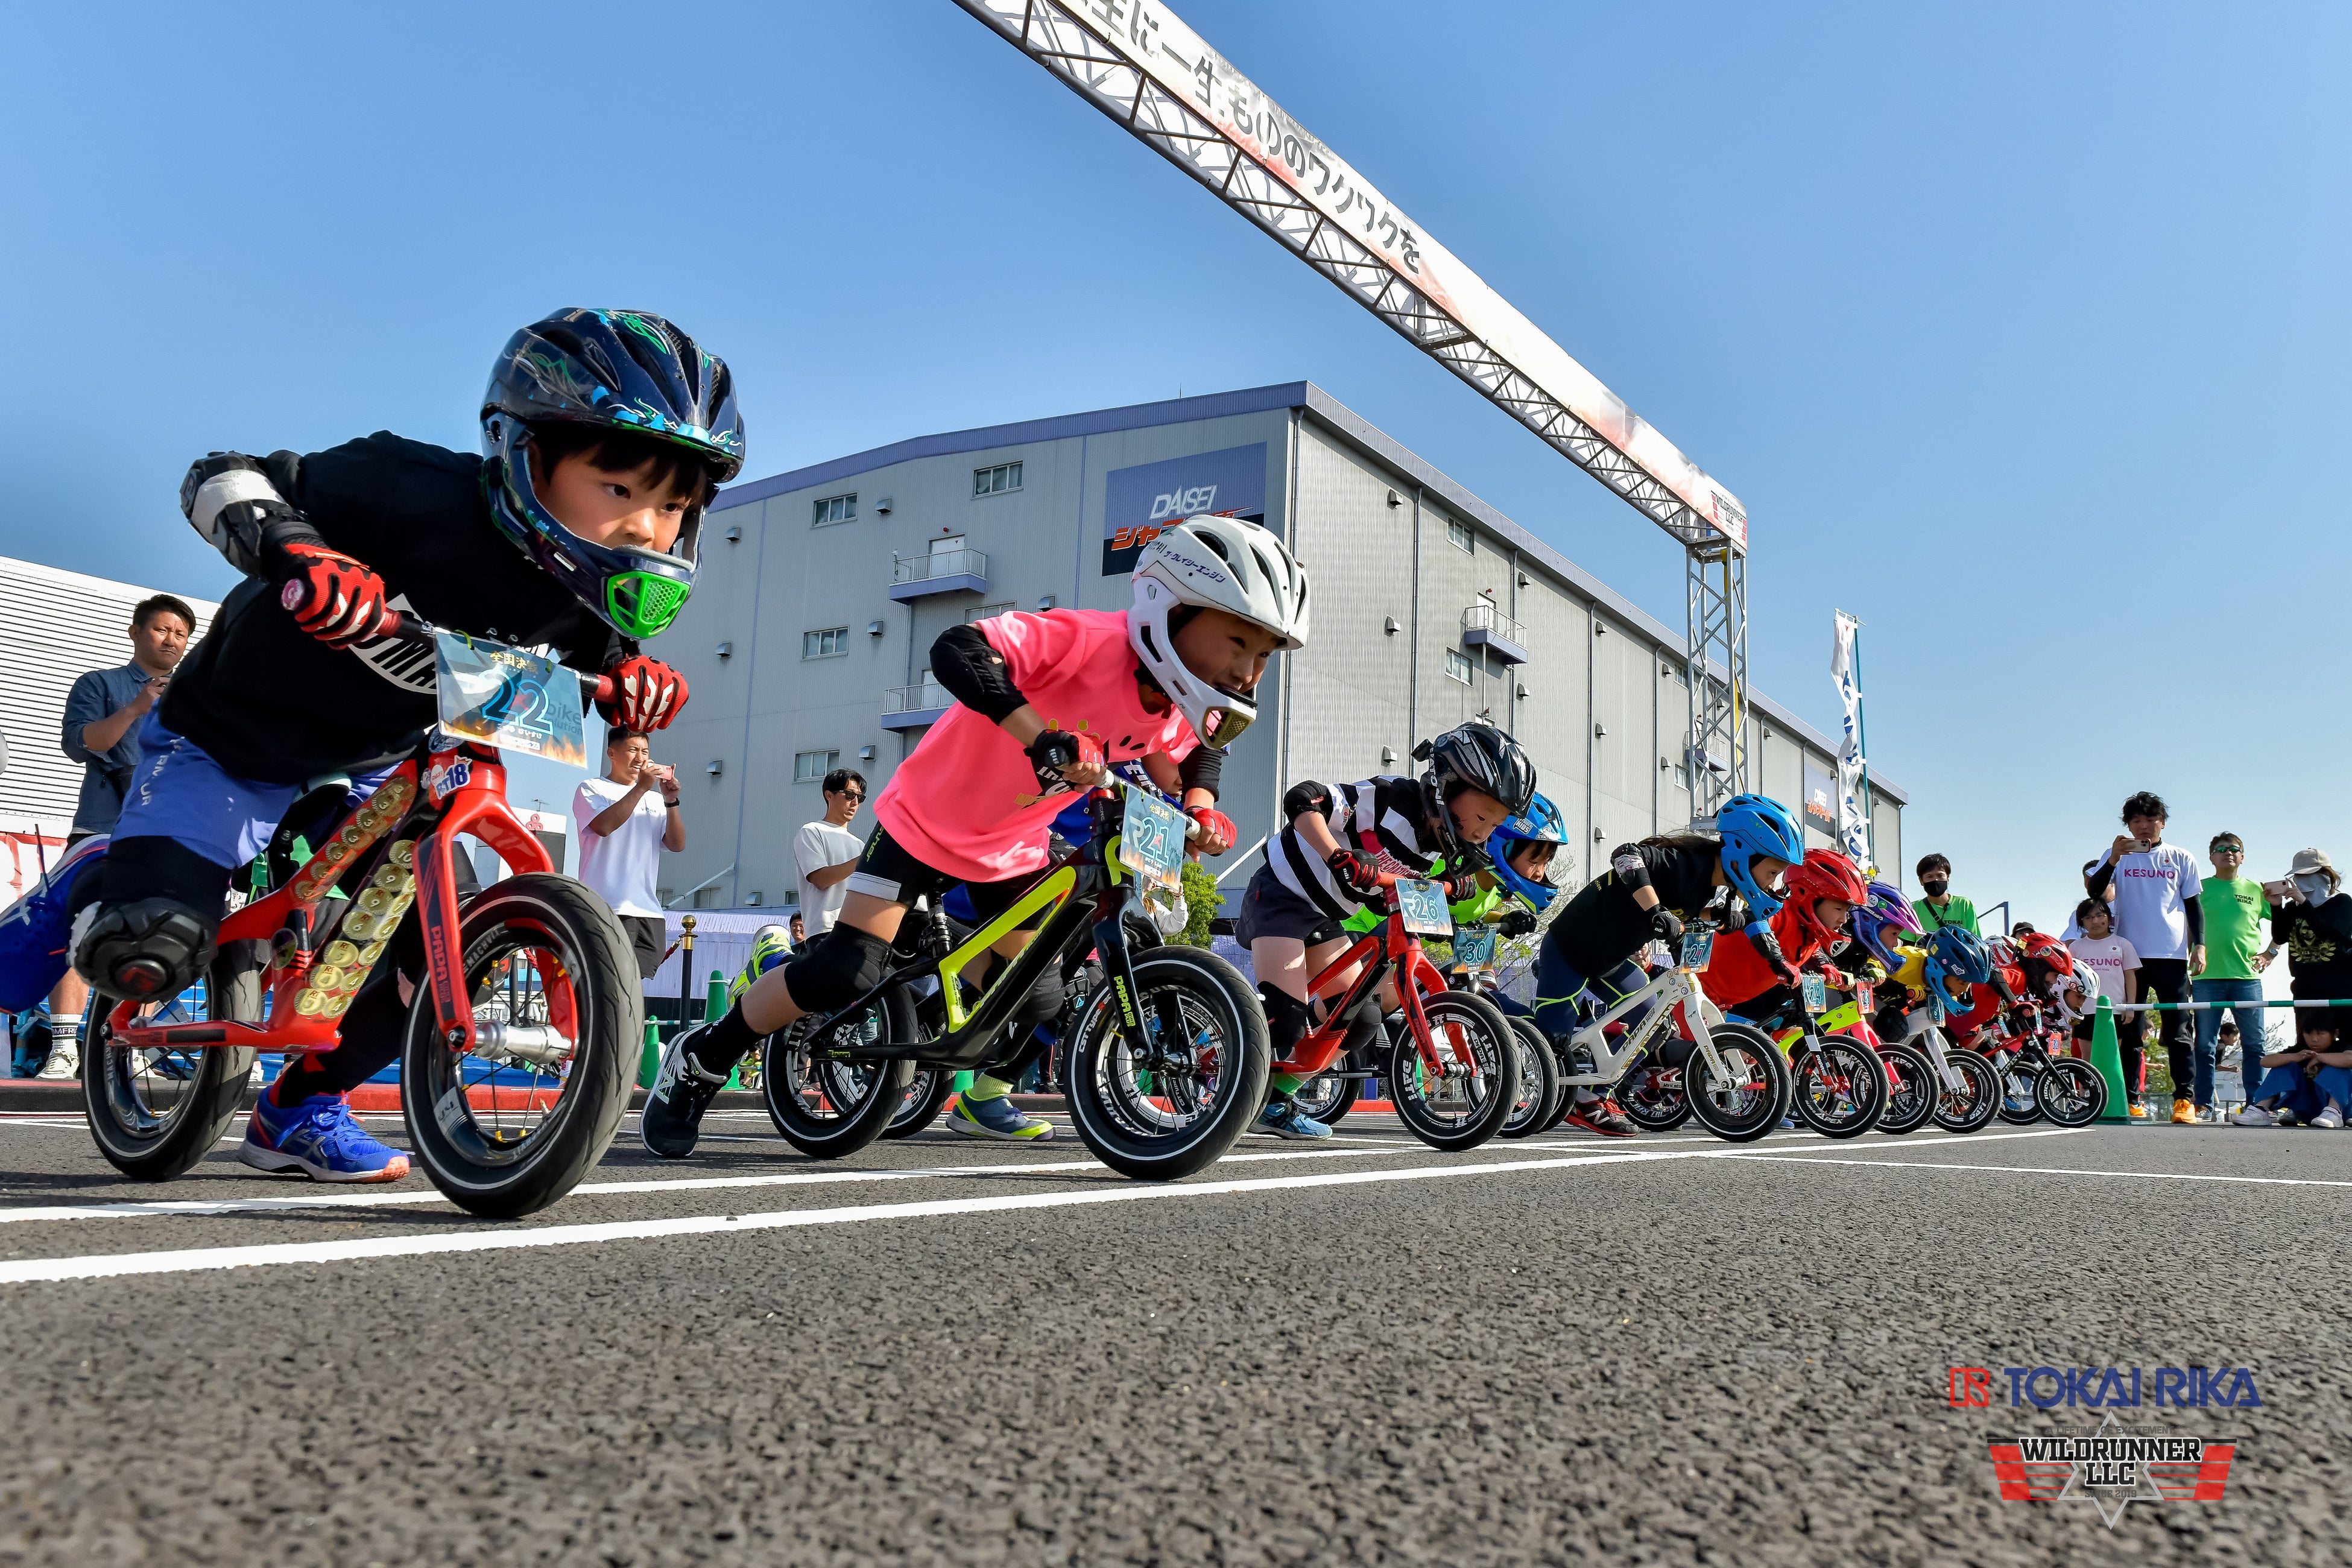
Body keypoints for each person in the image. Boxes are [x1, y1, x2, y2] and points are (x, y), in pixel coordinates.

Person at [70, 309, 731, 1181]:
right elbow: (221, 476)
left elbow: (612, 667)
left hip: (375, 761)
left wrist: (638, 682)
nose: (649, 527)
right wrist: (302, 553)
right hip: (231, 738)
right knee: (149, 938)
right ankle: (92, 887)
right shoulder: (407, 485)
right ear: (527, 454)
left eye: (674, 506)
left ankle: (297, 1110)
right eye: (620, 489)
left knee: (440, 952)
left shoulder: (583, 592)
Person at [642, 515, 1309, 1155]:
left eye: (1264, 653)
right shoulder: (1086, 640)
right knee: (843, 971)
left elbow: (1193, 753)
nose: (1251, 670)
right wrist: (1041, 737)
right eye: (1239, 642)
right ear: (1174, 610)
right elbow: (957, 649)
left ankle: (927, 973)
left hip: (1010, 848)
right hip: (920, 822)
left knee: (1039, 994)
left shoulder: (1176, 699)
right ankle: (702, 1058)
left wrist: (1201, 807)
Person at [1239, 723, 1537, 1140]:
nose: (1482, 833)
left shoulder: (1434, 845)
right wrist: (1338, 855)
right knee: (1285, 1021)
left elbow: (1389, 892)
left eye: (1494, 825)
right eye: (1483, 817)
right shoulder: (1389, 799)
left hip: (1324, 919)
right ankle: (1227, 1090)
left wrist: (1450, 888)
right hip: (1280, 897)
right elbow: (1305, 800)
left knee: (1361, 1017)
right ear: (1447, 788)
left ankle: (1274, 1099)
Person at [1531, 795, 1804, 1128]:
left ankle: (1590, 1097)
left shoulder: (1707, 887)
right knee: (1552, 1044)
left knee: (1656, 1026)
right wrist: (1655, 911)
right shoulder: (1683, 863)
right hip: (1569, 950)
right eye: (1773, 872)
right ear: (1744, 853)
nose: (1772, 883)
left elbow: (1692, 912)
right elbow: (1625, 855)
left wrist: (1768, 955)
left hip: (1611, 962)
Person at [31, 595, 197, 1080]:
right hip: (103, 826)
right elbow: (82, 743)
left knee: (156, 936)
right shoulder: (100, 684)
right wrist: (138, 706)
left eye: (181, 634)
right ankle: (65, 1047)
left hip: (170, 832)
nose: (171, 640)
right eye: (162, 629)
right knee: (79, 928)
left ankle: (133, 1044)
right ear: (136, 632)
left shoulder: (195, 698)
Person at [2083, 791, 2203, 1126]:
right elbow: (2095, 893)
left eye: (2151, 820)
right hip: (2128, 954)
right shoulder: (2117, 855)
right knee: (2131, 1029)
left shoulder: (2181, 857)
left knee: (2178, 1030)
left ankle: (2185, 1100)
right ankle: (2131, 1099)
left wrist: (2200, 946)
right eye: (2137, 821)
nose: (2144, 826)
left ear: (2162, 823)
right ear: (2129, 825)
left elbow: (2193, 905)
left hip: (2171, 954)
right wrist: (2112, 860)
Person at [574, 729, 684, 981]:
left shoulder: (655, 799)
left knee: (635, 985)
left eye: (645, 752)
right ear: (612, 753)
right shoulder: (592, 788)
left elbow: (677, 845)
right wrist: (641, 788)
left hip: (648, 910)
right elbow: (603, 827)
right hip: (606, 905)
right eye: (633, 750)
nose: (640, 758)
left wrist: (671, 801)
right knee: (605, 982)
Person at [2190, 832, 2275, 1123]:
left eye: (2234, 849)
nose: (2228, 853)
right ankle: (2203, 1105)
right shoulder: (2198, 888)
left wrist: (2271, 953)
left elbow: (2284, 924)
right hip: (2205, 978)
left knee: (2255, 1045)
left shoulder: (2257, 890)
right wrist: (2185, 970)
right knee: (2204, 1045)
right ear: (2211, 857)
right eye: (2221, 849)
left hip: (2247, 978)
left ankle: (2256, 1106)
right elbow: (2186, 930)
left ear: (2242, 856)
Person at [2265, 848, 2352, 1048]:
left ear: (2326, 875)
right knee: (2306, 1047)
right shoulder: (2293, 908)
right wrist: (2276, 906)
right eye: (2298, 876)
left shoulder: (2342, 903)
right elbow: (2280, 937)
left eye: (2308, 875)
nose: (2301, 881)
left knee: (2346, 1046)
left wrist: (2304, 903)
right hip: (2305, 989)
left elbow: (2327, 933)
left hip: (2339, 990)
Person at [2067, 897, 2143, 1096]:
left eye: (2100, 915)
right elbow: (2068, 981)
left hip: (2114, 1011)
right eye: (2088, 917)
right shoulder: (2075, 948)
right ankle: (2087, 1097)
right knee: (2088, 1058)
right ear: (2081, 922)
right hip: (2085, 1011)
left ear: (2109, 918)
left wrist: (2130, 1006)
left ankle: (2112, 1097)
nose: (2095, 921)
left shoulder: (2122, 944)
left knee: (2112, 1057)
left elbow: (2130, 976)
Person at [2226, 1015, 2352, 1128]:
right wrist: (2294, 1057)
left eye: (2321, 1034)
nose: (2314, 1039)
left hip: (2342, 1110)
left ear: (2335, 1034)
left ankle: (2333, 1111)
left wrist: (2320, 1058)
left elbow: (2350, 1058)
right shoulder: (2301, 1051)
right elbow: (2265, 1061)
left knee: (2339, 1067)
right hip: (2309, 1109)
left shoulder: (2341, 1047)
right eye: (2309, 1034)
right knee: (2284, 1065)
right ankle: (2261, 1109)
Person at [794, 769, 866, 937]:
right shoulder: (811, 831)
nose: (855, 802)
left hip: (857, 931)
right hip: (825, 929)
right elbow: (821, 879)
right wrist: (865, 859)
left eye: (860, 798)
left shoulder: (860, 844)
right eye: (849, 795)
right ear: (829, 795)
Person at [1912, 854, 1979, 943]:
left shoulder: (1964, 905)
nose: (1936, 880)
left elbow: (1975, 940)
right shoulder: (1913, 909)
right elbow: (1907, 947)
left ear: (1948, 878)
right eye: (1930, 876)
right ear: (1921, 881)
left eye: (1940, 875)